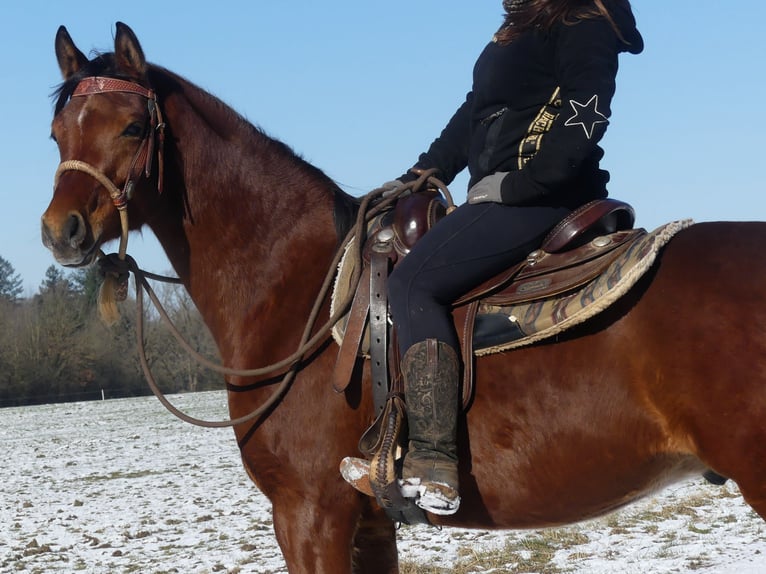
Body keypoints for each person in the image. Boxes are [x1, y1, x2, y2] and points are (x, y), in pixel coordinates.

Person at [346, 0, 643, 516]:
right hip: (502, 192)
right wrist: (421, 172)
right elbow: (475, 111)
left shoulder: (582, 21)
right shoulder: (521, 26)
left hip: (541, 196)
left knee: (414, 284)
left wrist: (520, 184)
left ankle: (434, 460)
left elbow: (587, 106)